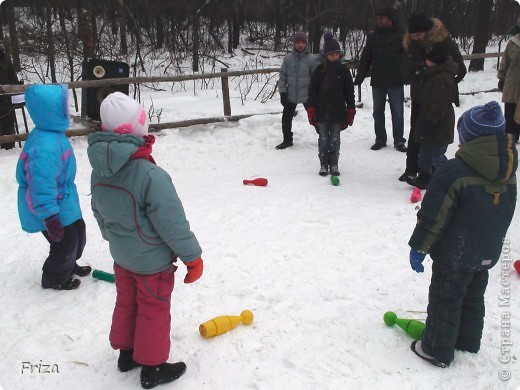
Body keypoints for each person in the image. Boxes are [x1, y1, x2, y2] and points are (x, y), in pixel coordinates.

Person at [87, 92, 203, 389]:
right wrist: (192, 256)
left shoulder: (99, 170)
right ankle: (152, 369)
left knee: (127, 302)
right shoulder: (150, 174)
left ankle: (127, 354)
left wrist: (114, 239)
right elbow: (172, 223)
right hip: (152, 263)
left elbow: (99, 211)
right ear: (135, 131)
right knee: (153, 309)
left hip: (123, 257)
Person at [408, 101, 517, 368]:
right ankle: (467, 341)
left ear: (469, 138)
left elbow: (434, 215)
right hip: (485, 252)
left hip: (453, 254)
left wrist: (419, 246)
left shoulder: (454, 171)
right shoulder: (508, 171)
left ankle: (436, 348)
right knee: (473, 296)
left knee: (446, 298)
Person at [16, 85, 90, 290]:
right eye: (62, 106)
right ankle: (54, 278)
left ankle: (69, 264)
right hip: (47, 203)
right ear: (49, 110)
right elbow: (40, 184)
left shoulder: (54, 133)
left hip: (63, 198)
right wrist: (49, 216)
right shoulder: (44, 145)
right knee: (66, 242)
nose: (66, 110)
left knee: (78, 234)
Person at [399, 13, 467, 183]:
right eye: (412, 35)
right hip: (419, 94)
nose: (415, 38)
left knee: (433, 132)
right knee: (416, 131)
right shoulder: (410, 45)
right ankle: (412, 168)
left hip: (437, 94)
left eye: (418, 35)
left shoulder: (442, 42)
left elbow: (458, 66)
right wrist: (416, 69)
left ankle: (431, 172)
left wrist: (446, 82)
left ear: (427, 32)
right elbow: (403, 68)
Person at [405, 40, 458, 190]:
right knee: (425, 155)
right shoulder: (433, 74)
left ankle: (448, 179)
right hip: (428, 121)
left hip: (439, 125)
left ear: (435, 60)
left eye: (427, 58)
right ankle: (426, 177)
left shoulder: (443, 78)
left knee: (437, 156)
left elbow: (439, 105)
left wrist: (430, 121)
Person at [354, 7, 407, 152]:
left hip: (396, 80)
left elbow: (407, 56)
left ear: (389, 19)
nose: (378, 20)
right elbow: (366, 57)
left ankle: (399, 140)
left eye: (381, 18)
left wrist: (406, 74)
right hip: (378, 80)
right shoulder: (373, 36)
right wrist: (360, 75)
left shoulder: (401, 34)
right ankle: (380, 139)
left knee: (397, 112)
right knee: (378, 112)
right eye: (377, 18)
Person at [307, 32, 356, 176]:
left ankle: (334, 162)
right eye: (332, 54)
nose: (335, 57)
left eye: (337, 54)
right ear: (326, 55)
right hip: (322, 111)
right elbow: (312, 91)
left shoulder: (344, 71)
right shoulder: (319, 71)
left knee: (335, 138)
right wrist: (311, 108)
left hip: (338, 111)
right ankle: (323, 162)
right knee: (323, 138)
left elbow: (349, 91)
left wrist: (351, 110)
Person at [276, 31, 319, 149]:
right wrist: (283, 93)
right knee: (286, 118)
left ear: (306, 44)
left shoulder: (312, 59)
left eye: (302, 42)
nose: (300, 45)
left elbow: (316, 79)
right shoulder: (288, 59)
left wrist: (315, 95)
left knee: (315, 117)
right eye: (298, 42)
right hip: (291, 94)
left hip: (307, 94)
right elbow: (283, 77)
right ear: (294, 44)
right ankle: (287, 140)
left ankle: (323, 137)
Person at [497, 15, 520, 143]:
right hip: (512, 82)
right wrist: (502, 78)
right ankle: (511, 137)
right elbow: (505, 62)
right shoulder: (513, 42)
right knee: (510, 111)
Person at [0, 46, 19, 150]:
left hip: (6, 102)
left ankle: (8, 147)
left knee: (8, 126)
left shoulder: (6, 60)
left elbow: (13, 79)